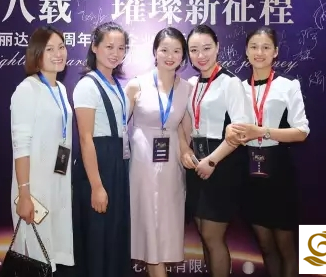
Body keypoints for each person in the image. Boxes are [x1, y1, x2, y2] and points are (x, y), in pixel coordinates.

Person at [225, 26, 310, 277]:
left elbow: (302, 132)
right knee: (265, 245)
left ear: (275, 52)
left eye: (265, 47)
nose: (259, 52)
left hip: (279, 169)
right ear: (246, 51)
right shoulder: (238, 87)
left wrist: (261, 131)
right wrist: (232, 131)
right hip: (248, 169)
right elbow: (232, 128)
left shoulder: (288, 85)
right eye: (254, 47)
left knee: (286, 246)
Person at [179, 24, 250, 277]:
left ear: (218, 47)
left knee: (213, 235)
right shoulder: (191, 83)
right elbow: (186, 123)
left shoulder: (230, 82)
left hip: (222, 163)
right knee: (203, 233)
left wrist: (211, 161)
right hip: (197, 163)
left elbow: (240, 132)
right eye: (194, 50)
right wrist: (186, 151)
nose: (201, 55)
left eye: (207, 48)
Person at [125, 27, 192, 277]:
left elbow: (185, 128)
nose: (170, 56)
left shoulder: (186, 88)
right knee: (147, 225)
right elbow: (119, 126)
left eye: (176, 51)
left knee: (165, 227)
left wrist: (185, 149)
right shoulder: (136, 84)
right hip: (141, 164)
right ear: (155, 51)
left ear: (183, 55)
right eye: (164, 50)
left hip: (172, 166)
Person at [9, 26, 74, 273]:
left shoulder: (61, 89)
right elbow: (21, 146)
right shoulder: (27, 89)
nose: (58, 54)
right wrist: (24, 195)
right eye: (50, 49)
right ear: (37, 54)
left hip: (58, 185)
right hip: (34, 190)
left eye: (61, 47)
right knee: (34, 262)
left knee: (51, 261)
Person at [72, 21, 132, 277]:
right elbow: (86, 138)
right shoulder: (87, 85)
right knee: (97, 237)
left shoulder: (117, 84)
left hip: (118, 163)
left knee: (115, 235)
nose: (115, 53)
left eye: (121, 48)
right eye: (109, 46)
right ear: (94, 47)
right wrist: (96, 186)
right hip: (98, 163)